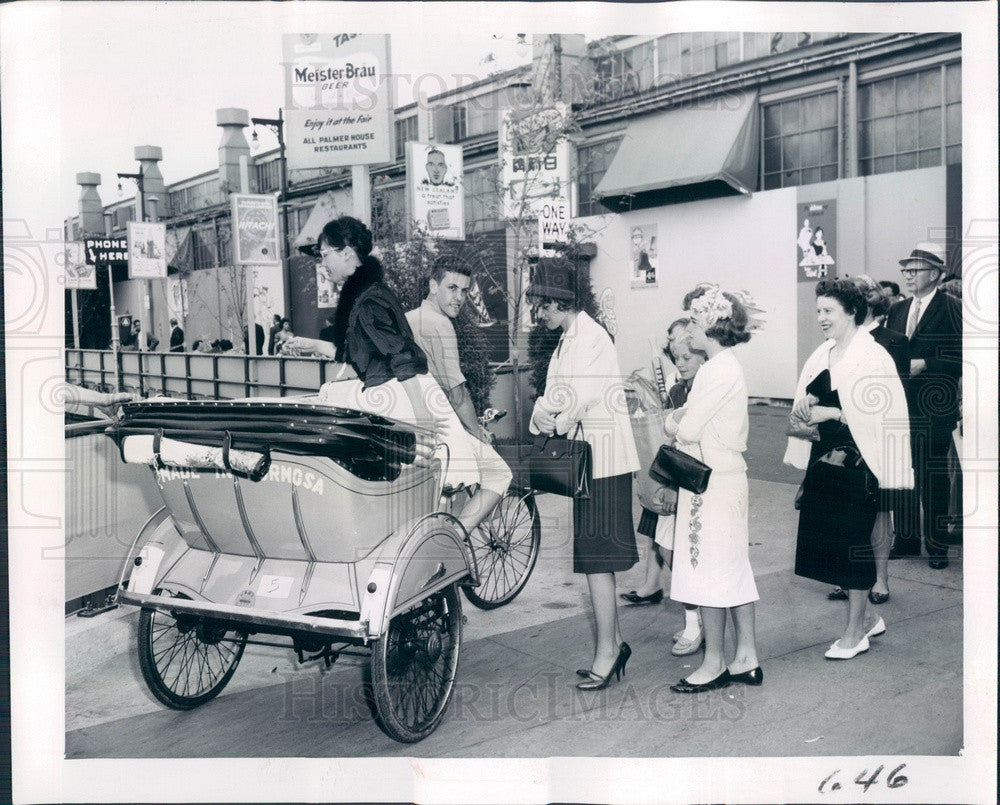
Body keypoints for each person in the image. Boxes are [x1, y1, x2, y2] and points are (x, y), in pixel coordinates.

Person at [281, 216, 491, 534]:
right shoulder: (364, 296)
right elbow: (360, 356)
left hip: (400, 400)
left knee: (424, 501)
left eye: (325, 255)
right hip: (394, 398)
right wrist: (308, 344)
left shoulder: (369, 299)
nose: (322, 264)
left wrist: (423, 419)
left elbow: (403, 358)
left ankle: (447, 551)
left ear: (347, 252)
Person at [528, 257, 639, 691]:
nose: (539, 314)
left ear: (558, 302)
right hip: (591, 461)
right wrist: (545, 410)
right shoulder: (570, 339)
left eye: (541, 306)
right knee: (596, 561)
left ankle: (609, 652)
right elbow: (553, 399)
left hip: (605, 463)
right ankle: (613, 644)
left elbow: (570, 403)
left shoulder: (590, 338)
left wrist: (546, 413)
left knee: (597, 562)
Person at [787, 279, 913, 660]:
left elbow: (886, 413)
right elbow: (802, 408)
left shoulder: (873, 357)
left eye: (829, 311)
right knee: (832, 544)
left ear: (852, 313)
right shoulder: (821, 354)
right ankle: (871, 617)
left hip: (861, 462)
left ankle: (854, 633)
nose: (821, 318)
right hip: (826, 460)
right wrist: (807, 410)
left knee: (853, 544)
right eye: (819, 310)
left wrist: (836, 412)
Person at [664, 284, 763, 692]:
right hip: (724, 479)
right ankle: (747, 657)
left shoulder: (716, 370)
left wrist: (673, 419)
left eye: (692, 321)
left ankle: (715, 662)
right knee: (732, 568)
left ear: (708, 325)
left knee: (708, 570)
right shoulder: (725, 366)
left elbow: (685, 428)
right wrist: (684, 417)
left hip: (711, 484)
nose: (687, 329)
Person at [404, 262, 513, 531]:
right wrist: (477, 431)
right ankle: (456, 541)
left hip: (412, 422)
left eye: (464, 291)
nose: (459, 298)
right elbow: (457, 392)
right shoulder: (440, 323)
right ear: (433, 286)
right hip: (439, 425)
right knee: (500, 474)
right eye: (451, 288)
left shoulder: (407, 318)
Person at [620, 319, 705, 655]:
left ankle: (696, 624)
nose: (679, 362)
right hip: (674, 481)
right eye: (676, 356)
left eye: (686, 357)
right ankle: (695, 620)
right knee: (670, 550)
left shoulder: (704, 387)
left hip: (694, 484)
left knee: (687, 555)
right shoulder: (677, 388)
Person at [822, 275, 908, 606]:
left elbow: (892, 396)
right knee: (846, 518)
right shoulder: (832, 346)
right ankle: (851, 580)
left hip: (875, 438)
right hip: (841, 441)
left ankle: (880, 579)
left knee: (878, 515)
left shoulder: (891, 341)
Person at [885, 242, 962, 569]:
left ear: (935, 273)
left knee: (933, 479)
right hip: (901, 409)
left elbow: (963, 356)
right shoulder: (898, 310)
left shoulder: (952, 307)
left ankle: (937, 545)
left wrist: (927, 363)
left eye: (914, 270)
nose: (907, 275)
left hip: (934, 410)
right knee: (902, 474)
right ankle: (905, 539)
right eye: (905, 270)